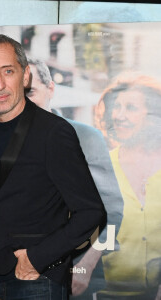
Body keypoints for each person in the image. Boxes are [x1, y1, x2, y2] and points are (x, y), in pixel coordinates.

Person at [0, 34, 106, 300]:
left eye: (8, 71)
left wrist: (35, 259)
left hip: (36, 281)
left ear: (26, 75)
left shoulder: (54, 132)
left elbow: (91, 211)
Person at [26, 58, 123, 298]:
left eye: (30, 92)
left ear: (50, 90)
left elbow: (113, 211)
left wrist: (86, 265)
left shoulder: (86, 138)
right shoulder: (4, 143)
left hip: (74, 278)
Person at [95, 71, 161, 299]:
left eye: (130, 108)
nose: (119, 116)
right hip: (103, 293)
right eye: (117, 107)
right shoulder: (102, 167)